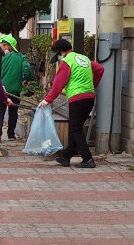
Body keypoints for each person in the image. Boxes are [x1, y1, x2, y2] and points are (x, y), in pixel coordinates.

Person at [38, 38, 104, 168]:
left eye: (57, 54)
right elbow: (100, 69)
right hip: (89, 97)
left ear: (61, 51)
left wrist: (47, 99)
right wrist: (91, 85)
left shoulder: (66, 61)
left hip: (77, 98)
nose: (57, 57)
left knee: (75, 129)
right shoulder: (83, 58)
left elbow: (58, 84)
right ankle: (66, 157)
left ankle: (88, 159)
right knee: (76, 127)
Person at [0, 34, 32, 142]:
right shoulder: (20, 57)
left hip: (1, 89)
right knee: (13, 112)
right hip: (15, 89)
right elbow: (27, 68)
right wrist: (27, 80)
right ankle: (10, 135)